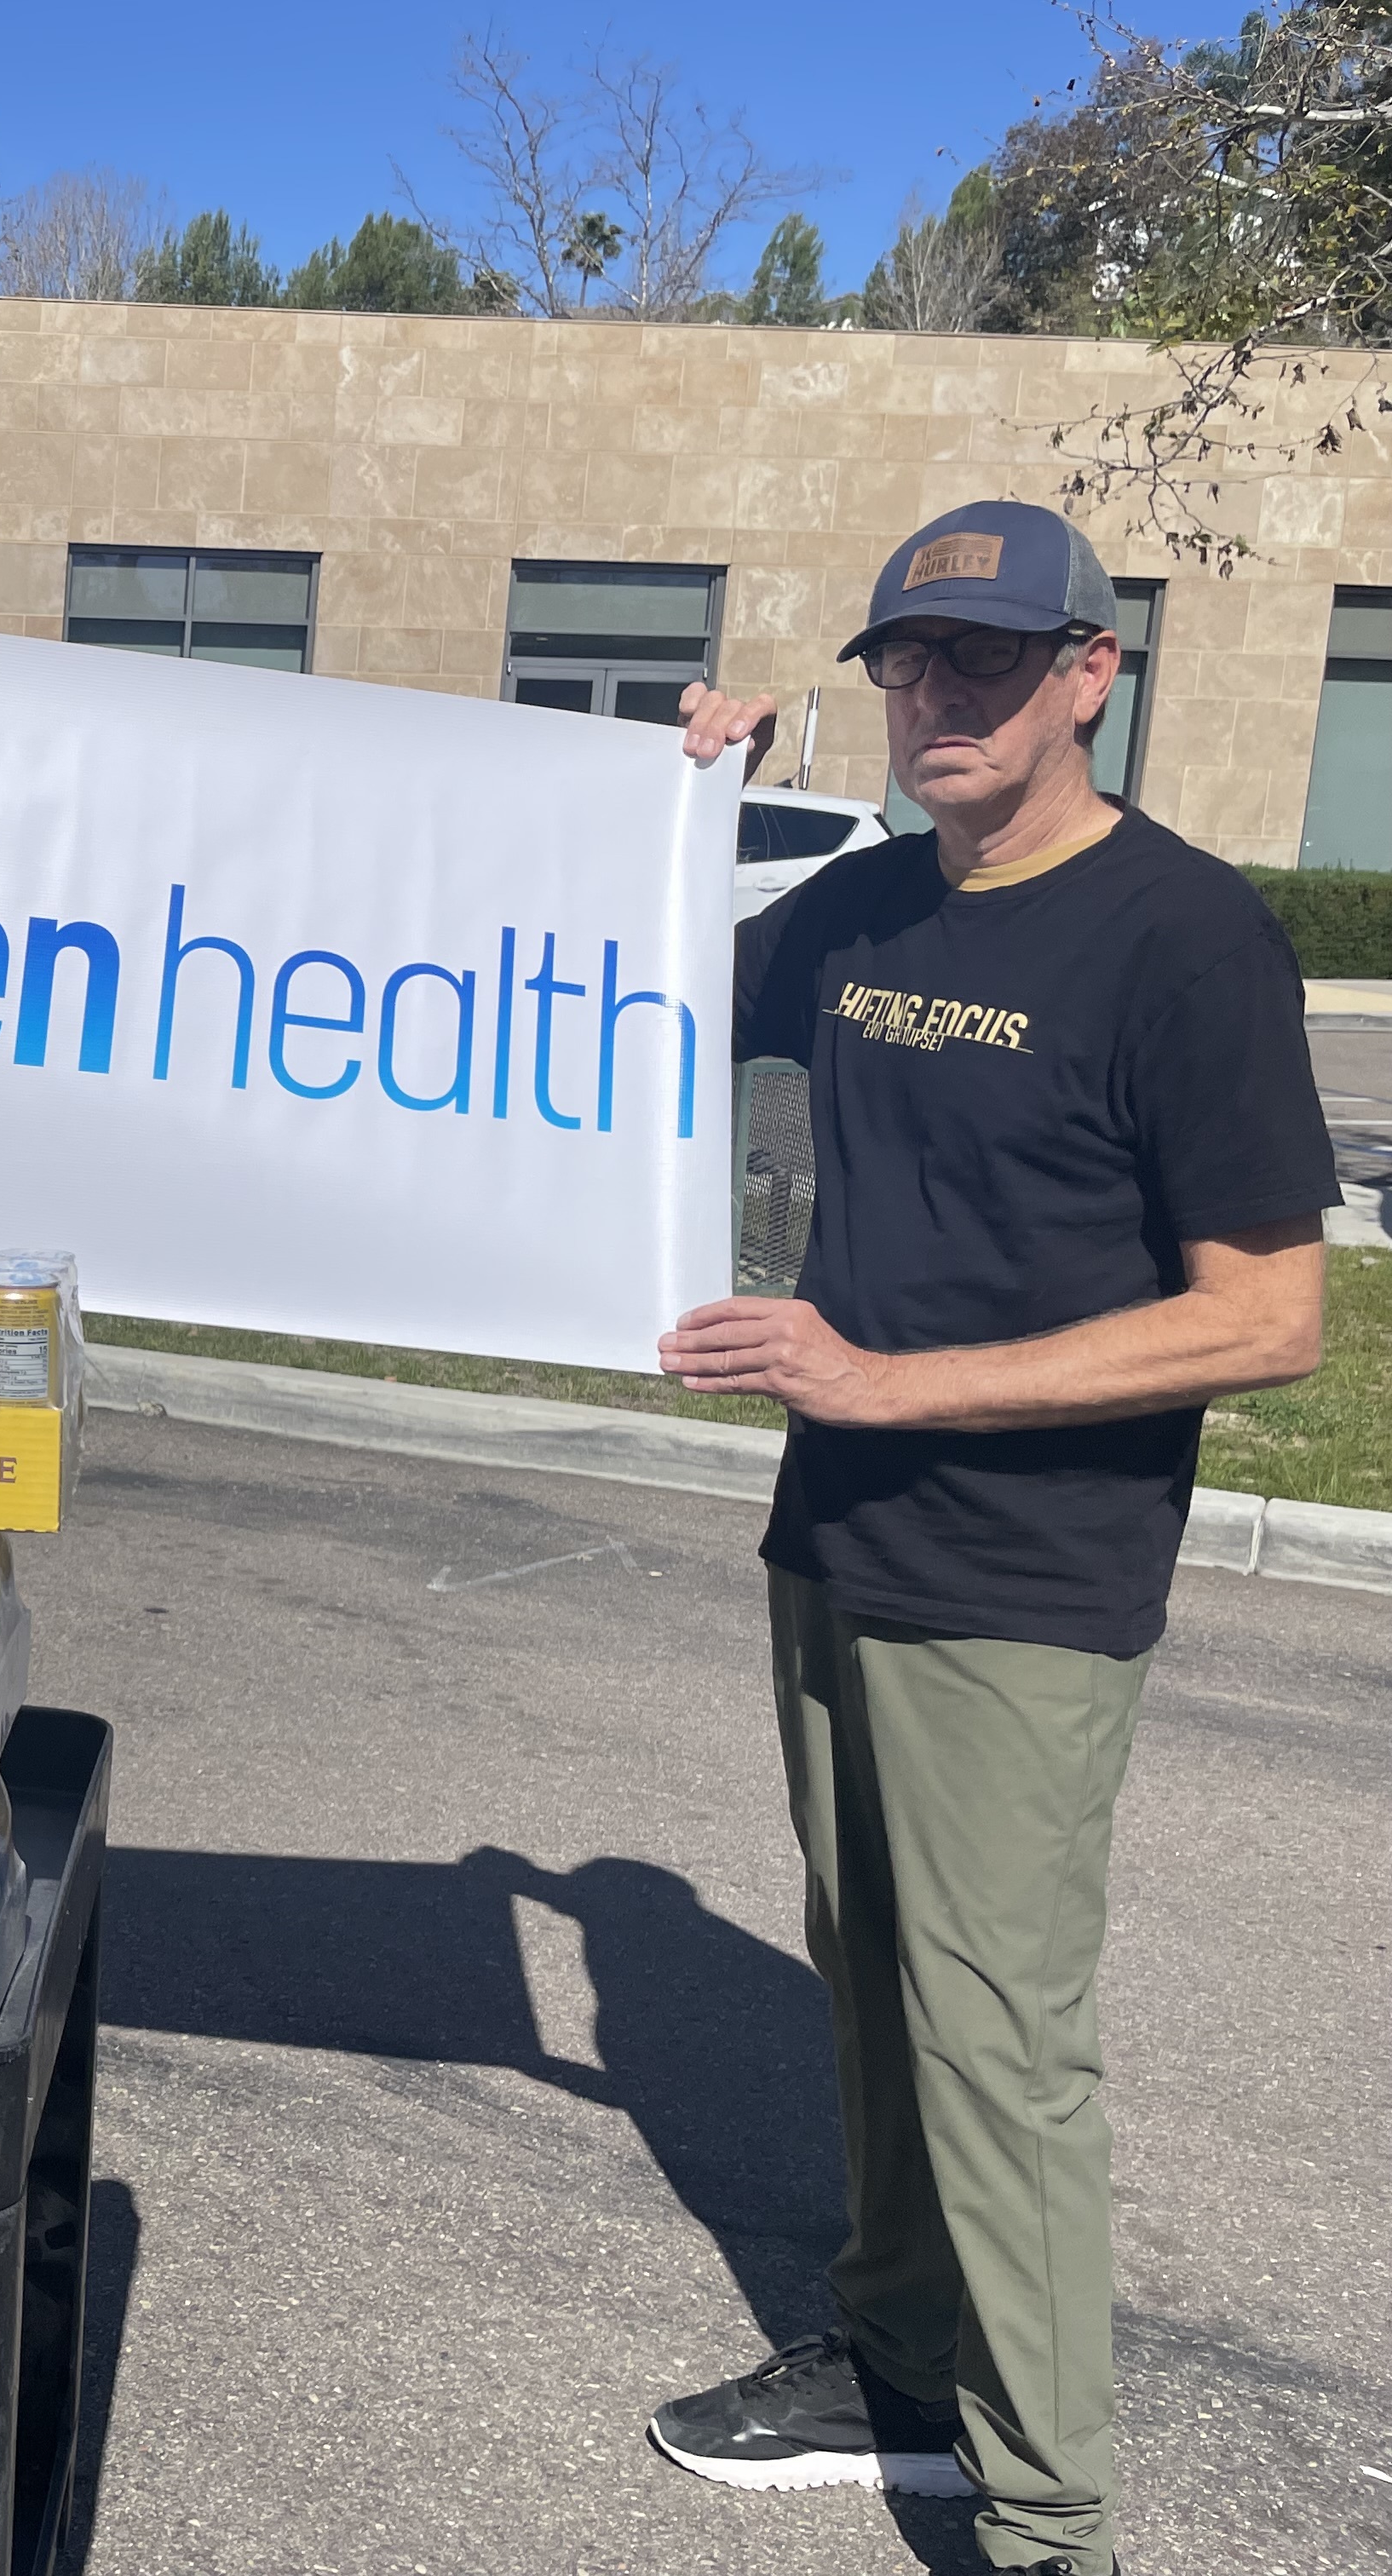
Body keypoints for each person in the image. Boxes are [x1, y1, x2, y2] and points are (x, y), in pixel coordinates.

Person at [647, 499, 1334, 2576]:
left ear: (1088, 680)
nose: (937, 701)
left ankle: (1051, 2528)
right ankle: (894, 2370)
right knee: (870, 1984)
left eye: (987, 663)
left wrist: (885, 1383)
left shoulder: (1183, 938)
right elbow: (613, 987)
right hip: (832, 1546)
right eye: (909, 664)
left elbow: (1273, 1316)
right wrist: (679, 814)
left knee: (999, 2046)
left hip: (1024, 1588)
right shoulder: (863, 913)